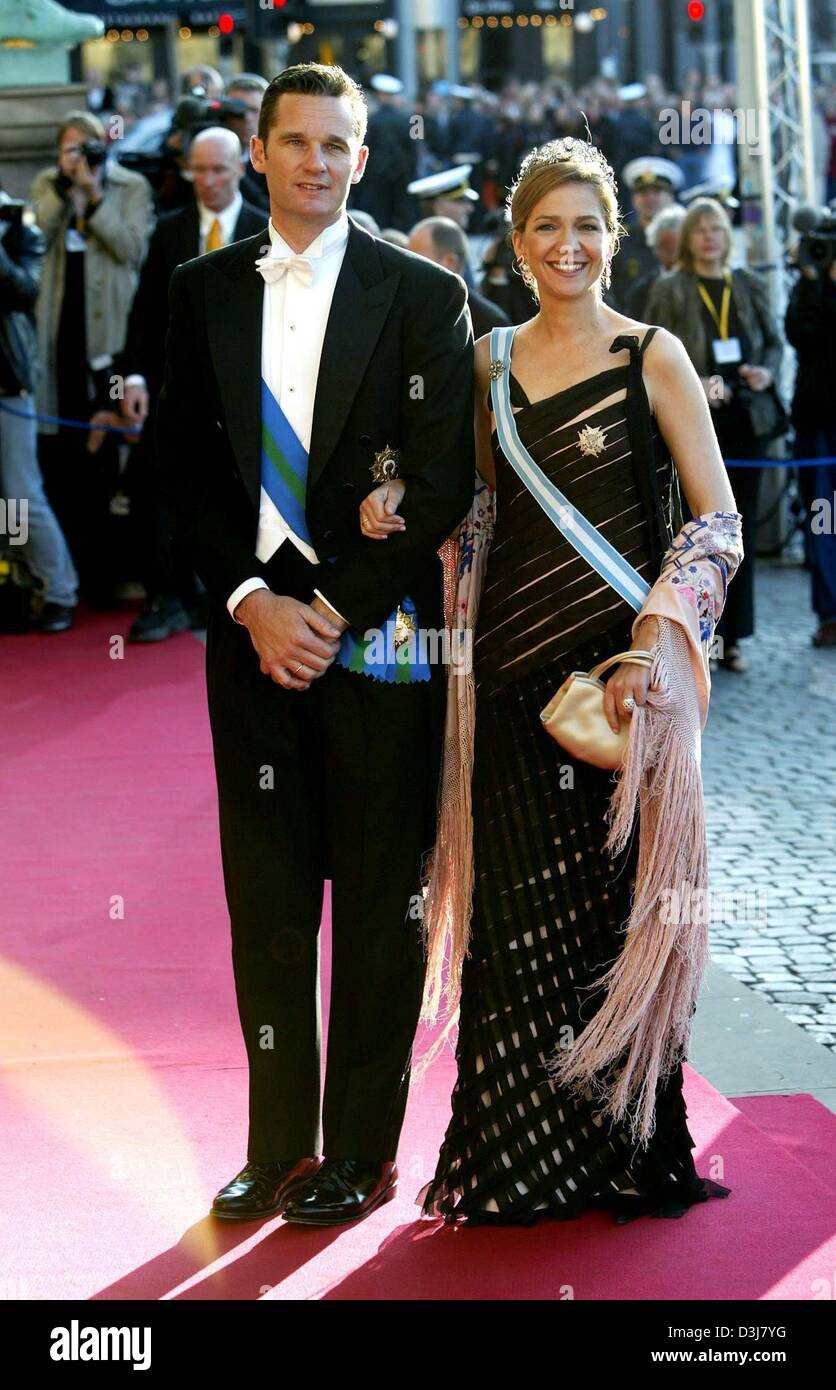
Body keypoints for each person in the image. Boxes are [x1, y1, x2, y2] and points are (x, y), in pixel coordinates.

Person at [362, 137, 742, 1226]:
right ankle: (524, 1167)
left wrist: (656, 641)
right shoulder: (483, 364)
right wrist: (393, 501)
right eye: (544, 227)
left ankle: (627, 1153)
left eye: (584, 224)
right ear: (517, 243)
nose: (564, 245)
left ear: (609, 239)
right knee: (516, 931)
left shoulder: (652, 355)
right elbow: (464, 505)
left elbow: (714, 523)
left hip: (624, 694)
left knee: (621, 927)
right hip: (510, 688)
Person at [155, 62, 474, 1226]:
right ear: (259, 147)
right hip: (250, 651)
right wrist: (250, 600)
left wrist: (328, 608)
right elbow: (182, 470)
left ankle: (361, 1154)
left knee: (382, 905)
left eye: (336, 144)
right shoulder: (199, 290)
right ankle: (274, 1143)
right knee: (271, 901)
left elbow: (440, 480)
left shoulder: (420, 292)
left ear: (362, 157)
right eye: (294, 141)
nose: (314, 162)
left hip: (377, 648)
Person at [118, 127, 267, 640]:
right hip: (180, 394)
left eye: (218, 169)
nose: (207, 180)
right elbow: (144, 315)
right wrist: (134, 377)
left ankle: (235, 594)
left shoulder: (266, 228)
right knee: (160, 489)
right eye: (197, 170)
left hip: (253, 400)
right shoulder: (169, 231)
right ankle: (167, 597)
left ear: (242, 167)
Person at [647, 197, 786, 672]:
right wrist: (698, 383)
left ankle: (734, 638)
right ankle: (695, 634)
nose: (710, 236)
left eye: (717, 229)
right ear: (687, 238)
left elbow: (773, 340)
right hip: (692, 418)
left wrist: (764, 373)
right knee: (695, 528)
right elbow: (656, 348)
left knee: (735, 530)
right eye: (701, 229)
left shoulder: (745, 284)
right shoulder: (671, 287)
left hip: (745, 420)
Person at [30, 110, 154, 606]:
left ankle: (113, 573)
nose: (80, 159)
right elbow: (35, 234)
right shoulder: (46, 185)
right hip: (59, 336)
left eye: (89, 148)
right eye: (70, 150)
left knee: (111, 453)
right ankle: (73, 570)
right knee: (61, 453)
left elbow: (132, 249)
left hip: (110, 340)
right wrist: (68, 192)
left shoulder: (129, 186)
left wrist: (97, 194)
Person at [0, 193, 78, 632]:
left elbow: (24, 290)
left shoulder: (21, 233)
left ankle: (59, 590)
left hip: (9, 384)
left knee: (19, 496)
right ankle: (14, 581)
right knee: (5, 503)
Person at [785, 247, 836, 647]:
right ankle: (830, 613)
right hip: (817, 426)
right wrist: (814, 280)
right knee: (823, 520)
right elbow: (800, 334)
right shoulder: (808, 287)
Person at [407, 216, 510, 338]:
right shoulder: (406, 311)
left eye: (416, 259)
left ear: (450, 262)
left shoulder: (490, 324)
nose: (407, 268)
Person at [608, 157, 684, 313]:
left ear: (671, 197)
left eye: (657, 191)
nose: (650, 198)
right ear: (634, 199)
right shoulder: (618, 240)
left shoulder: (686, 238)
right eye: (642, 192)